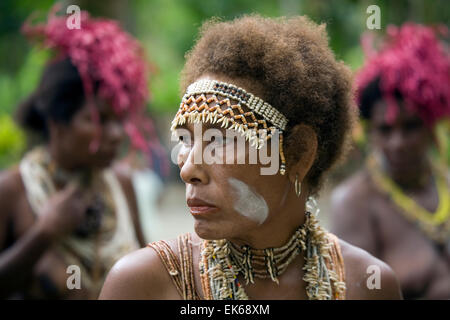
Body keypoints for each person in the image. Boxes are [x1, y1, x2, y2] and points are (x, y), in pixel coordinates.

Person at [100, 15, 402, 300]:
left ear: (298, 154)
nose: (188, 168)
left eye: (219, 140)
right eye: (186, 139)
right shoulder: (142, 284)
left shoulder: (367, 285)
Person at [0, 8, 152, 299]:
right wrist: (44, 233)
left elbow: (150, 275)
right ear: (58, 124)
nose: (117, 133)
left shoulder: (121, 184)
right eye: (99, 120)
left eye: (120, 120)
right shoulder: (13, 189)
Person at [330, 23, 450, 299]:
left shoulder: (446, 186)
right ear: (370, 133)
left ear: (431, 128)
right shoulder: (355, 203)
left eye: (410, 127)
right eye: (385, 130)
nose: (397, 143)